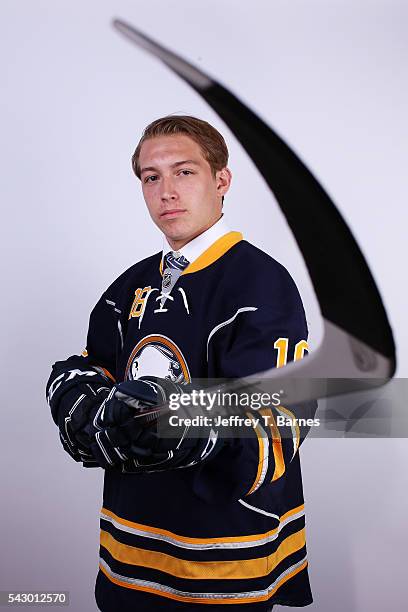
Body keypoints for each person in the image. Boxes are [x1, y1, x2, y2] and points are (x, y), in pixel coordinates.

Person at [46, 115, 315, 611]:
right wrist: (84, 408)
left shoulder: (261, 283)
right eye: (152, 177)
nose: (166, 191)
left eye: (184, 171)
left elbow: (281, 416)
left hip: (223, 546)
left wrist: (170, 422)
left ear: (221, 180)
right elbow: (91, 372)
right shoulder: (129, 285)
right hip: (131, 540)